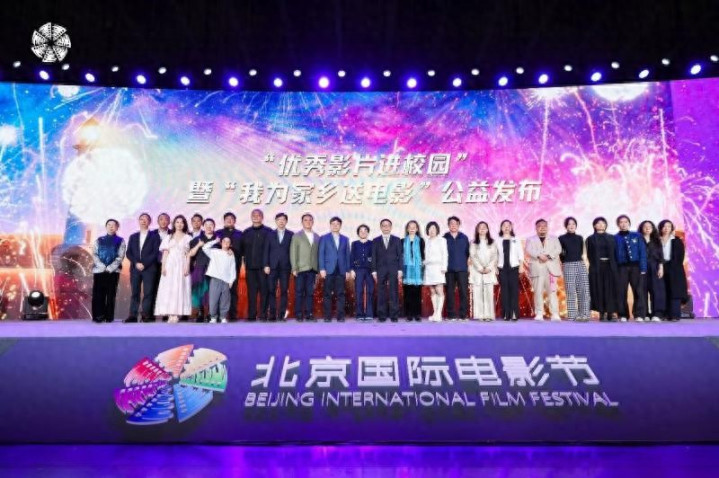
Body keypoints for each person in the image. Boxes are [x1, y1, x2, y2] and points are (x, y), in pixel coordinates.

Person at [154, 215, 192, 323]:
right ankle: (171, 313)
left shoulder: (188, 238)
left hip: (182, 264)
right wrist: (163, 267)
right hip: (170, 265)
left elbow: (189, 255)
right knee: (169, 288)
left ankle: (177, 313)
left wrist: (187, 267)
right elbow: (165, 253)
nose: (179, 224)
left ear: (184, 224)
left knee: (180, 287)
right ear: (174, 224)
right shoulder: (168, 237)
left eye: (181, 222)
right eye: (177, 222)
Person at [125, 213, 161, 323]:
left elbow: (155, 253)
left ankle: (146, 315)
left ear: (150, 222)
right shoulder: (133, 236)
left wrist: (144, 264)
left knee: (148, 293)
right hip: (135, 268)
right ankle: (132, 315)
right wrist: (136, 263)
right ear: (138, 221)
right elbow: (129, 253)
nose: (143, 221)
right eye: (141, 219)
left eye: (146, 219)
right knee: (135, 292)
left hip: (149, 268)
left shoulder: (155, 236)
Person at [525, 219, 562, 321]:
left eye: (544, 226)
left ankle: (555, 313)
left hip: (551, 269)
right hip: (537, 268)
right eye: (540, 226)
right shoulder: (530, 239)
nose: (542, 228)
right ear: (536, 228)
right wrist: (539, 255)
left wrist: (548, 256)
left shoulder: (554, 238)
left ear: (547, 227)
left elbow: (558, 249)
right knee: (538, 292)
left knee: (552, 292)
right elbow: (528, 250)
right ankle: (539, 313)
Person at [91, 219, 126, 323]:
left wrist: (110, 267)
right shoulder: (99, 240)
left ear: (117, 227)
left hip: (113, 271)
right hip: (99, 271)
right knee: (98, 294)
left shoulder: (120, 241)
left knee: (111, 294)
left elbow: (120, 256)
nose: (111, 227)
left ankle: (109, 316)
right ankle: (98, 315)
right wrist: (101, 266)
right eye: (109, 225)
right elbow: (94, 254)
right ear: (106, 227)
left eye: (113, 225)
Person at [615, 215, 647, 322]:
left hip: (636, 267)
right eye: (621, 222)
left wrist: (643, 268)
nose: (623, 224)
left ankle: (639, 314)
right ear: (618, 224)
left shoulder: (637, 236)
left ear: (629, 223)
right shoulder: (615, 238)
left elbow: (642, 252)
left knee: (638, 291)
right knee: (621, 291)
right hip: (621, 268)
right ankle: (622, 314)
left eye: (626, 222)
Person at [586, 217, 619, 322]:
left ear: (605, 225)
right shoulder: (590, 239)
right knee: (599, 289)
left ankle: (611, 312)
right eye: (598, 223)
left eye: (603, 223)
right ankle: (602, 312)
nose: (601, 225)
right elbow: (589, 254)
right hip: (597, 267)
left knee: (610, 290)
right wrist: (593, 267)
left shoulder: (612, 237)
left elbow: (615, 252)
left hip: (610, 266)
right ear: (594, 226)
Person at [242, 209, 272, 321]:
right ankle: (252, 315)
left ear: (262, 217)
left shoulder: (268, 232)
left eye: (258, 215)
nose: (256, 217)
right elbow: (242, 250)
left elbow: (271, 250)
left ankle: (263, 315)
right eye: (253, 215)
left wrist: (267, 265)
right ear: (251, 217)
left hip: (263, 268)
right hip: (250, 268)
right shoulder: (246, 232)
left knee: (264, 292)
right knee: (251, 293)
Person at [319, 216, 351, 322]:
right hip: (328, 269)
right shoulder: (324, 238)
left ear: (340, 226)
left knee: (341, 294)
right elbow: (321, 254)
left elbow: (347, 255)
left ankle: (340, 316)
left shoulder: (345, 239)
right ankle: (327, 317)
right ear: (330, 225)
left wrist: (347, 270)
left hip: (341, 270)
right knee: (327, 294)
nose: (335, 226)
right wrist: (322, 268)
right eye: (333, 224)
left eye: (337, 224)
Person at [558, 217, 591, 321]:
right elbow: (561, 253)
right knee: (570, 290)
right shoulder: (561, 238)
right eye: (569, 224)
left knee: (584, 290)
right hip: (568, 264)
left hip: (580, 264)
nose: (571, 226)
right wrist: (565, 262)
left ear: (576, 225)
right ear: (566, 226)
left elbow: (581, 252)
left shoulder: (580, 237)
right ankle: (572, 315)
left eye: (573, 224)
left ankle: (584, 314)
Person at [263, 212, 294, 322]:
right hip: (272, 267)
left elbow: (293, 252)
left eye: (283, 219)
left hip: (285, 267)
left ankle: (281, 315)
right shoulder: (270, 234)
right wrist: (266, 265)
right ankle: (272, 314)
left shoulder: (291, 234)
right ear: (276, 221)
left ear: (286, 221)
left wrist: (293, 266)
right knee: (271, 290)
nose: (281, 221)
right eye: (279, 219)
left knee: (284, 291)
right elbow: (266, 250)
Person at [372, 219, 403, 322]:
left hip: (393, 269)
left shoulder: (397, 240)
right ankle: (382, 316)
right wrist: (374, 270)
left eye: (388, 225)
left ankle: (394, 315)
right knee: (381, 293)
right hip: (380, 270)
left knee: (394, 293)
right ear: (381, 227)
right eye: (384, 226)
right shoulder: (375, 240)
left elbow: (400, 256)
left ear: (391, 227)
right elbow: (374, 256)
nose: (386, 227)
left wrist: (400, 270)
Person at [290, 213, 320, 321]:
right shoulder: (297, 236)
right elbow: (293, 252)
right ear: (302, 222)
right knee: (299, 293)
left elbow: (318, 254)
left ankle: (309, 314)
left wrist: (318, 269)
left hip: (312, 269)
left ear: (313, 222)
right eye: (305, 220)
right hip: (300, 269)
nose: (308, 222)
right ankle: (298, 314)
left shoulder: (317, 236)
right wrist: (294, 268)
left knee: (310, 293)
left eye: (310, 220)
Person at [201, 237, 237, 324]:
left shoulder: (231, 254)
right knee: (213, 299)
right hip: (215, 279)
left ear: (230, 244)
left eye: (228, 242)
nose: (226, 243)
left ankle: (223, 317)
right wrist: (215, 241)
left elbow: (232, 268)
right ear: (221, 242)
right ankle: (213, 317)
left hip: (226, 280)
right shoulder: (215, 252)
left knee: (225, 300)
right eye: (224, 241)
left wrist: (231, 280)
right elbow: (204, 248)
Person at [215, 212, 243, 321]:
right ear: (224, 220)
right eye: (227, 218)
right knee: (219, 291)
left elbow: (242, 250)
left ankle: (232, 315)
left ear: (235, 221)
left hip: (234, 266)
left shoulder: (240, 234)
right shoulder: (218, 233)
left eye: (231, 219)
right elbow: (214, 248)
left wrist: (232, 250)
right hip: (220, 267)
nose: (229, 220)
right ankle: (218, 314)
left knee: (233, 291)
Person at [188, 218, 217, 322]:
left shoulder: (218, 239)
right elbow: (191, 254)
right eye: (206, 225)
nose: (209, 226)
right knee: (199, 291)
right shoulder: (196, 239)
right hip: (200, 268)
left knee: (211, 292)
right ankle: (200, 313)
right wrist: (198, 245)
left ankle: (210, 314)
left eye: (211, 224)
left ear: (214, 226)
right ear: (203, 226)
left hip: (214, 269)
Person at [659, 220, 688, 322]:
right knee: (663, 291)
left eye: (669, 226)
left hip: (674, 268)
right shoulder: (657, 240)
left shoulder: (677, 240)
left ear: (672, 228)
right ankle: (665, 314)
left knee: (675, 291)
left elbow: (680, 256)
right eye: (664, 226)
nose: (666, 228)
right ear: (660, 228)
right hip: (660, 266)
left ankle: (675, 315)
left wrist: (673, 266)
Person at [496, 220, 524, 321]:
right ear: (501, 228)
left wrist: (521, 266)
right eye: (504, 225)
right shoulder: (497, 240)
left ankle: (514, 313)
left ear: (511, 227)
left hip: (514, 267)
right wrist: (495, 267)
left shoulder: (516, 239)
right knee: (504, 291)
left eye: (508, 225)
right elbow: (495, 255)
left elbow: (520, 254)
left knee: (514, 290)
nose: (506, 227)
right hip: (502, 268)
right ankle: (506, 314)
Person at [469, 221, 497, 321]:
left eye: (484, 227)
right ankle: (479, 315)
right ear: (477, 230)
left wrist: (489, 267)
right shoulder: (473, 242)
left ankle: (489, 315)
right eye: (480, 227)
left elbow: (495, 256)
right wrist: (480, 268)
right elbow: (473, 256)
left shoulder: (492, 242)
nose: (482, 229)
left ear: (487, 229)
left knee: (489, 292)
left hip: (489, 270)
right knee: (478, 292)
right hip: (477, 271)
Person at [443, 216, 470, 320]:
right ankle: (451, 315)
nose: (453, 225)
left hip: (462, 269)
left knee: (463, 292)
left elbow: (468, 253)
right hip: (448, 269)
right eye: (451, 223)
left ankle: (463, 315)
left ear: (459, 225)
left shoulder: (464, 237)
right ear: (448, 225)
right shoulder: (444, 238)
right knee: (449, 293)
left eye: (455, 224)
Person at [639, 220, 665, 322]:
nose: (647, 228)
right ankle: (645, 313)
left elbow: (660, 255)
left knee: (656, 290)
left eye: (649, 226)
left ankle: (657, 314)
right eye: (645, 226)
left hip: (654, 266)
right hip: (641, 267)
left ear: (653, 228)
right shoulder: (638, 239)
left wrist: (661, 267)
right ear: (641, 228)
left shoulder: (657, 240)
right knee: (642, 290)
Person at [423, 221, 448, 322]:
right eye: (430, 228)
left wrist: (444, 267)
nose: (432, 230)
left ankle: (439, 314)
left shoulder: (442, 240)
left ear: (437, 230)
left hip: (438, 268)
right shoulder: (427, 241)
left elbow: (445, 254)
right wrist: (423, 262)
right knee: (432, 291)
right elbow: (426, 256)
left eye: (433, 228)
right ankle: (435, 313)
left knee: (439, 290)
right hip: (429, 268)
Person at [402, 220, 425, 322]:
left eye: (414, 227)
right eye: (410, 227)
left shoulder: (421, 241)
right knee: (407, 294)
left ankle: (417, 314)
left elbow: (423, 255)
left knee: (417, 293)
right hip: (406, 270)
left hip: (417, 270)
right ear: (407, 229)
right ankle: (409, 314)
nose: (412, 229)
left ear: (417, 229)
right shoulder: (402, 241)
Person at [350, 224, 374, 321]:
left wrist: (374, 270)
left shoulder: (372, 243)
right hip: (358, 270)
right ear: (358, 233)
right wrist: (352, 269)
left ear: (368, 232)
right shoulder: (354, 243)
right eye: (361, 231)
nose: (363, 232)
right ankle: (359, 314)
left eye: (365, 231)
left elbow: (374, 257)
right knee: (359, 291)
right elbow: (352, 257)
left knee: (370, 291)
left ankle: (369, 313)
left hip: (370, 270)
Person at [151, 212, 171, 320]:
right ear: (158, 221)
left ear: (169, 221)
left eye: (166, 219)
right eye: (161, 219)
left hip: (169, 265)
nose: (163, 221)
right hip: (153, 265)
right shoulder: (151, 234)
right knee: (153, 289)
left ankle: (166, 314)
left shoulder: (174, 233)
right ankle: (151, 314)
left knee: (167, 289)